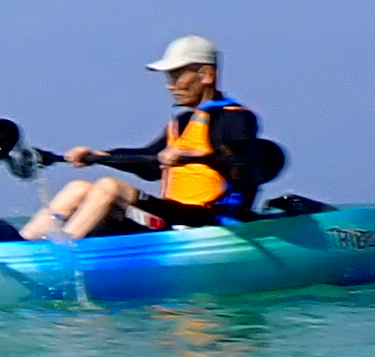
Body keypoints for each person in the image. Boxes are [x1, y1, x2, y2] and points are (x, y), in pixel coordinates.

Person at [24, 35, 268, 243]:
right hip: (174, 214)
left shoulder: (237, 119)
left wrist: (192, 156)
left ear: (206, 75)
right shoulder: (183, 122)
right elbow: (150, 163)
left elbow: (245, 165)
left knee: (110, 187)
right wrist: (98, 156)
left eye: (176, 76)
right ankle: (26, 241)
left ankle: (62, 253)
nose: (170, 86)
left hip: (209, 220)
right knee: (78, 188)